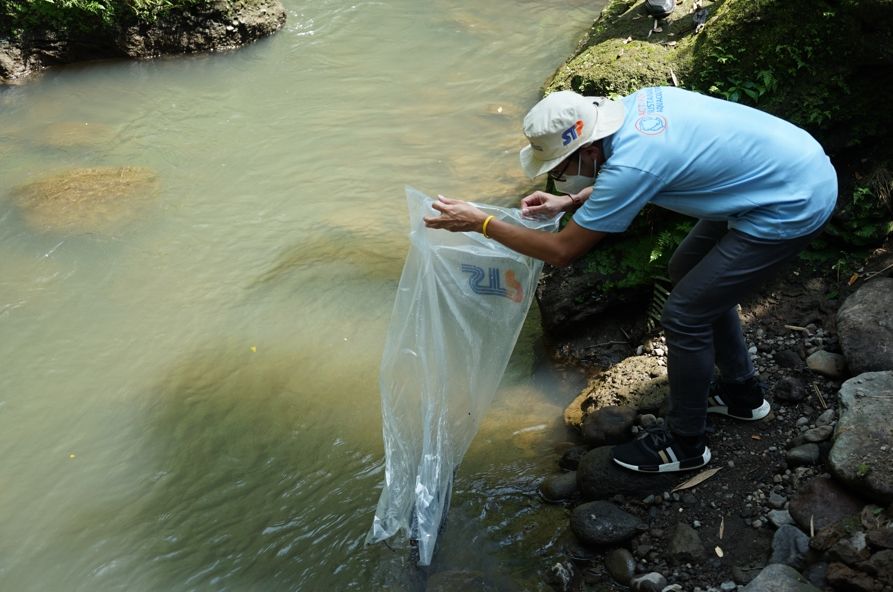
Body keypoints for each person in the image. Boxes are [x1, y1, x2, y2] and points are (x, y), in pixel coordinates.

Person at [423, 87, 837, 473]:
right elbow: (634, 175)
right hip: (782, 168)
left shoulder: (631, 163)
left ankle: (686, 444)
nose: (558, 174)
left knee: (685, 315)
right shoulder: (637, 108)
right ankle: (743, 395)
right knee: (687, 272)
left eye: (560, 166)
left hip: (792, 200)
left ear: (586, 148)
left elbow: (562, 251)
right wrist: (568, 201)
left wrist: (482, 223)